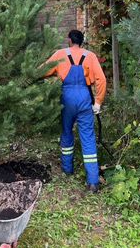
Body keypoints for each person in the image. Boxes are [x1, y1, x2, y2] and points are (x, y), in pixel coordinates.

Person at [45, 29, 106, 192]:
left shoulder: (60, 54)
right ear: (82, 41)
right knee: (88, 137)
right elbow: (101, 79)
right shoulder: (91, 56)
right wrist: (98, 102)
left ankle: (67, 170)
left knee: (66, 132)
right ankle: (93, 181)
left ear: (69, 40)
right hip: (85, 97)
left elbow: (43, 70)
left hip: (67, 97)